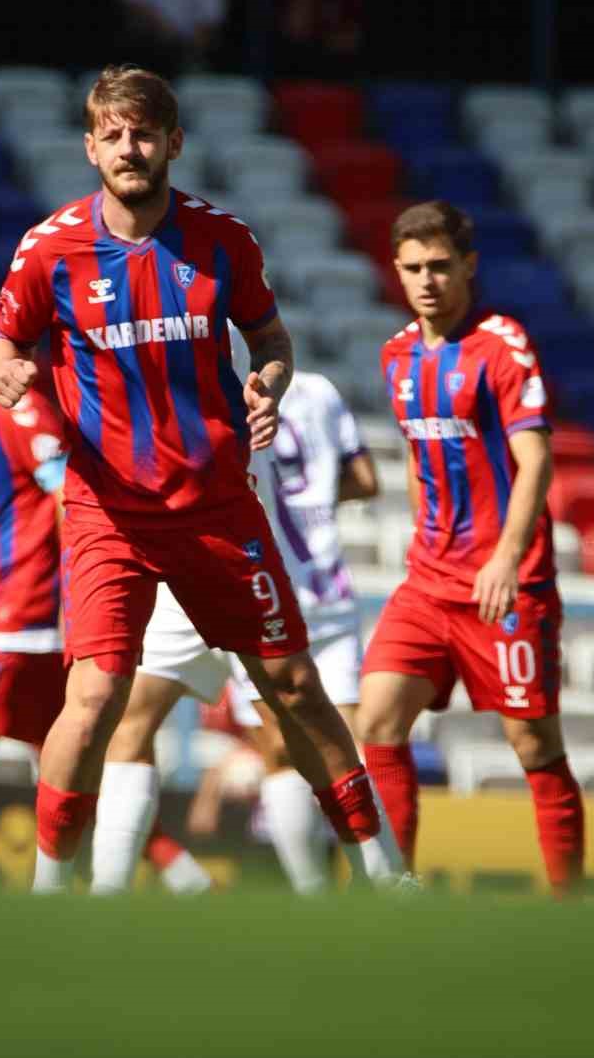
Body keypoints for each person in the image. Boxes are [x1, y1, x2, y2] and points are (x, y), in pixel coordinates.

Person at [0, 63, 388, 893]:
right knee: (95, 700)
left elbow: (271, 340)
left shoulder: (222, 240)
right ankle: (46, 895)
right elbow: (2, 341)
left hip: (216, 508)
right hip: (109, 513)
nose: (128, 148)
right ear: (90, 147)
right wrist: (5, 371)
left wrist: (268, 384)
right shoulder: (50, 248)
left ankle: (383, 875)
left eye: (144, 133)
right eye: (113, 134)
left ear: (174, 142)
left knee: (294, 688)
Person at [0, 292, 210, 893]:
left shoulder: (21, 412)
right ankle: (184, 876)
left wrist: (75, 598)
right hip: (7, 610)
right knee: (71, 765)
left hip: (27, 615)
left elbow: (66, 501)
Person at [99, 360, 408, 896]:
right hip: (307, 578)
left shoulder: (194, 376)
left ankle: (105, 896)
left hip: (220, 564)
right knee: (328, 742)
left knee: (129, 724)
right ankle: (382, 882)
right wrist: (304, 500)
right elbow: (365, 479)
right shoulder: (319, 390)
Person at [357, 201, 585, 894]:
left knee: (533, 744)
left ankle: (569, 905)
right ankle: (395, 893)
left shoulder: (501, 345)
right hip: (428, 584)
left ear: (468, 266)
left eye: (439, 266)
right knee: (378, 718)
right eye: (413, 269)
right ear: (396, 271)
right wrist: (424, 541)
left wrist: (506, 558)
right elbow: (416, 455)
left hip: (505, 586)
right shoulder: (396, 355)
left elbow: (536, 459)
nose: (426, 281)